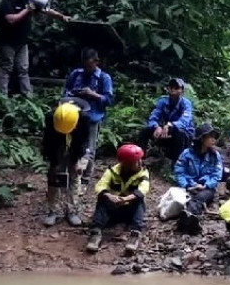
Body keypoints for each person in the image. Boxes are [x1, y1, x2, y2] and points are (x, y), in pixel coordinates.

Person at [0, 0, 70, 96]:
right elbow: (11, 20)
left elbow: (46, 10)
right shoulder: (7, 3)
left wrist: (61, 17)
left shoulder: (28, 0)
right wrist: (27, 10)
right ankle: (2, 96)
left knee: (23, 69)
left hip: (22, 42)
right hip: (8, 42)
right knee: (7, 68)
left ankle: (27, 95)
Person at [86, 144, 149, 255]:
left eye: (140, 160)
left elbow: (143, 189)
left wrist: (126, 199)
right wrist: (109, 196)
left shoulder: (143, 173)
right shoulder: (112, 171)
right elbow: (100, 185)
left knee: (139, 200)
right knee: (102, 198)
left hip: (130, 209)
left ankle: (135, 235)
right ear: (126, 163)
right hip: (113, 208)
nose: (139, 162)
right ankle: (95, 233)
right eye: (136, 161)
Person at [63, 48, 114, 185]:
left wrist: (93, 94)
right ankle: (72, 174)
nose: (87, 68)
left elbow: (109, 100)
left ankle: (85, 178)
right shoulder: (76, 74)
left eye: (89, 65)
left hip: (93, 116)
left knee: (89, 148)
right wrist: (74, 93)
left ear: (96, 62)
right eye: (85, 65)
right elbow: (66, 91)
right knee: (72, 145)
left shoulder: (104, 78)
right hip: (74, 114)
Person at [42, 98, 92, 227]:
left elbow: (83, 142)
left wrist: (77, 162)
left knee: (75, 175)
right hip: (57, 144)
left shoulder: (84, 119)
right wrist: (53, 164)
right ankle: (54, 211)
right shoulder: (51, 117)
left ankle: (72, 210)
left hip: (77, 144)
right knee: (54, 177)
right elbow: (48, 143)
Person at [174, 123, 223, 235]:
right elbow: (179, 172)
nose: (213, 139)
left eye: (214, 136)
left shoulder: (215, 155)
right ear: (201, 138)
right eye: (210, 136)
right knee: (183, 197)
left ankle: (189, 216)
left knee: (201, 197)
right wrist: (188, 185)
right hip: (188, 187)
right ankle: (190, 219)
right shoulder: (186, 154)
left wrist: (206, 185)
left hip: (206, 188)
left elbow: (217, 175)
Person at [139, 77, 195, 162]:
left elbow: (185, 121)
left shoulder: (186, 103)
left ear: (182, 91)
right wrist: (156, 127)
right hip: (166, 131)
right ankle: (140, 158)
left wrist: (171, 125)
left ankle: (176, 164)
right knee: (144, 131)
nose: (173, 90)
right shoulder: (163, 102)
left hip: (184, 135)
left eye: (176, 88)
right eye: (171, 87)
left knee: (179, 133)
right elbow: (153, 117)